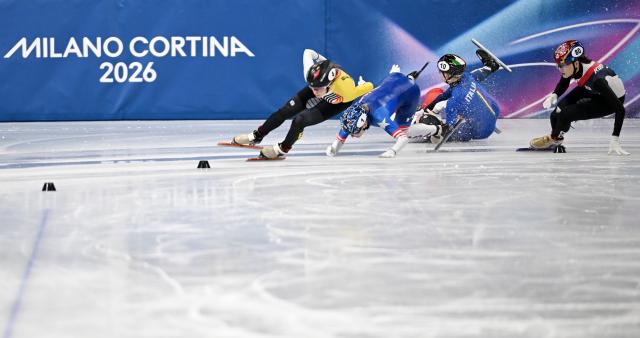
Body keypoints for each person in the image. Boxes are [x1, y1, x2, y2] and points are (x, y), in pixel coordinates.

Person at [230, 49, 374, 159]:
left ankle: (282, 149)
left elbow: (369, 86)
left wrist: (365, 84)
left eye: (317, 89)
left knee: (300, 120)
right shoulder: (312, 77)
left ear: (329, 84)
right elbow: (308, 52)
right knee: (285, 111)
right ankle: (257, 135)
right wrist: (324, 63)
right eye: (312, 87)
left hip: (338, 101)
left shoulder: (346, 90)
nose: (314, 91)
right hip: (327, 87)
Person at [529, 40, 629, 155]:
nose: (560, 69)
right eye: (558, 65)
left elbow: (620, 109)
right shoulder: (575, 67)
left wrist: (615, 138)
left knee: (565, 114)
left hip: (608, 101)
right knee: (556, 113)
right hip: (591, 90)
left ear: (576, 63)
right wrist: (554, 94)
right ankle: (556, 139)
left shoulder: (598, 81)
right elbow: (564, 81)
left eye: (562, 66)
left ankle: (553, 138)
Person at [326, 65, 422, 158]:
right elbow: (341, 137)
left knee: (405, 133)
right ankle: (407, 78)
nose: (352, 135)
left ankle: (435, 129)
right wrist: (333, 149)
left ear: (363, 124)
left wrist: (392, 151)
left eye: (354, 132)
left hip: (410, 91)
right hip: (393, 78)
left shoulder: (379, 116)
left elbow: (403, 139)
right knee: (395, 123)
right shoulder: (352, 117)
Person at [411, 51, 501, 144]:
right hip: (494, 110)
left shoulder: (453, 102)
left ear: (448, 75)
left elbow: (449, 129)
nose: (439, 74)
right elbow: (444, 96)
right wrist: (425, 109)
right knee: (474, 78)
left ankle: (429, 133)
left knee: (438, 131)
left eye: (441, 72)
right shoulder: (466, 77)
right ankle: (491, 66)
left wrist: (434, 130)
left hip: (481, 131)